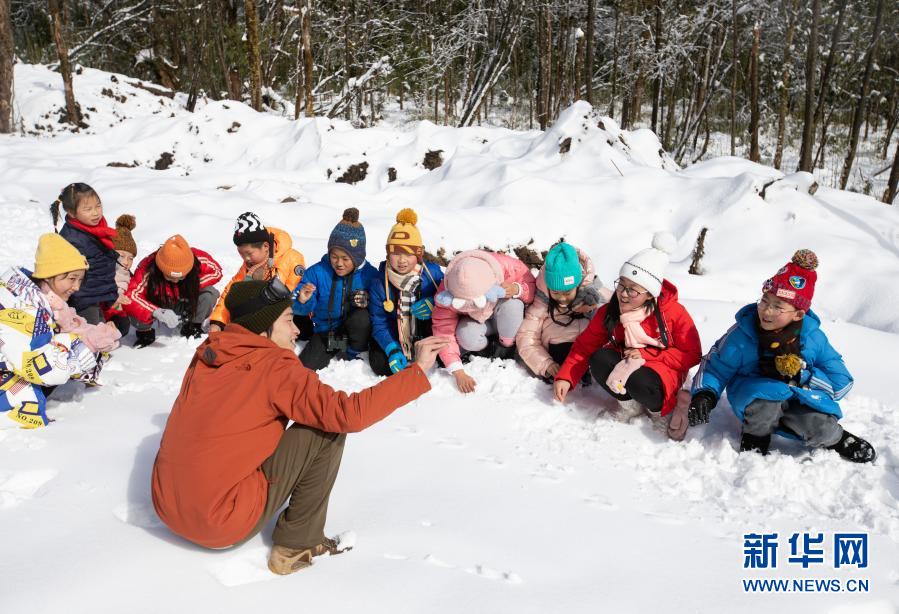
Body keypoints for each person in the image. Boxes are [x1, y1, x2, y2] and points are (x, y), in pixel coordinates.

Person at [150, 279, 449, 575]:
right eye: (289, 320)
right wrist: (417, 371)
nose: (296, 331)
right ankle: (296, 546)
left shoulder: (209, 352)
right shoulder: (276, 366)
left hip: (167, 508)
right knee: (328, 426)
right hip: (222, 523)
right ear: (263, 326)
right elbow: (348, 414)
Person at [688, 249, 875, 462]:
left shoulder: (812, 338)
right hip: (755, 397)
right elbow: (715, 366)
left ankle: (838, 439)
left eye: (778, 307)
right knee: (765, 404)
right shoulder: (743, 333)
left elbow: (841, 384)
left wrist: (802, 376)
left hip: (801, 398)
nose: (767, 311)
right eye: (765, 301)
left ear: (798, 314)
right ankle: (754, 444)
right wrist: (705, 393)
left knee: (820, 426)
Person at [554, 232, 702, 441]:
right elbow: (585, 346)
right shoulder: (612, 310)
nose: (623, 294)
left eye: (633, 290)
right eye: (621, 285)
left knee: (641, 381)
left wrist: (645, 356)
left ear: (650, 294)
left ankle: (657, 410)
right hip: (626, 361)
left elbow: (693, 354)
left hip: (663, 368)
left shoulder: (674, 313)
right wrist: (566, 377)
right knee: (599, 359)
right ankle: (629, 404)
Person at [0, 234, 115, 427]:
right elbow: (42, 369)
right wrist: (82, 352)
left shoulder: (37, 295)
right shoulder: (28, 310)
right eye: (71, 279)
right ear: (49, 274)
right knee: (29, 401)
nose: (76, 287)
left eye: (80, 280)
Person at [432, 249, 536, 393]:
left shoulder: (507, 266)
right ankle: (487, 349)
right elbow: (443, 330)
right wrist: (457, 370)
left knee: (513, 305)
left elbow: (534, 288)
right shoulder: (447, 291)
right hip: (477, 322)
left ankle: (507, 345)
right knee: (466, 335)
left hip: (503, 313)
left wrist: (518, 289)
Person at [292, 208, 378, 370]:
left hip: (355, 335)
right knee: (305, 366)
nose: (339, 263)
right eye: (334, 256)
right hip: (326, 332)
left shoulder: (370, 276)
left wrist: (368, 301)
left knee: (361, 317)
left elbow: (381, 306)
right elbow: (300, 307)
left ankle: (353, 351)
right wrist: (302, 300)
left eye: (345, 258)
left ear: (357, 257)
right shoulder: (317, 273)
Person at [516, 241, 611, 382]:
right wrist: (545, 364)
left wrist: (594, 308)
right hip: (558, 345)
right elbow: (527, 337)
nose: (562, 298)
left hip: (588, 344)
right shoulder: (542, 300)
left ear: (578, 284)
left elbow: (615, 310)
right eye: (555, 292)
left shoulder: (592, 290)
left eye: (567, 292)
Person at [368, 208, 444, 376]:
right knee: (381, 366)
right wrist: (391, 348)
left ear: (418, 255)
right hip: (394, 336)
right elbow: (379, 323)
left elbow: (452, 295)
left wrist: (435, 302)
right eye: (396, 253)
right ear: (388, 254)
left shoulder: (433, 274)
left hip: (425, 333)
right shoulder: (379, 283)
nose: (401, 260)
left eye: (408, 254)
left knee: (444, 357)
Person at [209, 211, 306, 332]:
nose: (245, 259)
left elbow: (296, 295)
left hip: (288, 319)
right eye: (241, 253)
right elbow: (232, 291)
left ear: (265, 246)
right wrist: (218, 321)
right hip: (260, 320)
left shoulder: (292, 259)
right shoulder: (249, 266)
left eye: (249, 254)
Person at [124, 234, 223, 347]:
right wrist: (156, 311)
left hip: (185, 299)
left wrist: (191, 285)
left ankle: (193, 325)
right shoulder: (148, 268)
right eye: (170, 277)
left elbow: (216, 271)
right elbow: (131, 295)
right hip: (160, 302)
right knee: (135, 305)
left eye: (181, 277)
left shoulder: (197, 259)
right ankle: (145, 332)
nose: (176, 281)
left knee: (210, 293)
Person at [52, 183, 120, 324]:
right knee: (94, 335)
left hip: (102, 293)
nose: (95, 213)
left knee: (121, 326)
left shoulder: (99, 228)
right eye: (88, 209)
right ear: (72, 213)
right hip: (84, 298)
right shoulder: (72, 239)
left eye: (98, 206)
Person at [105, 213, 138, 336]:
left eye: (130, 258)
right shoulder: (102, 272)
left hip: (115, 314)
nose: (126, 262)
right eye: (122, 255)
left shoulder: (129, 277)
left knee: (124, 325)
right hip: (98, 312)